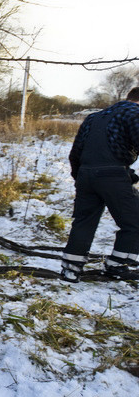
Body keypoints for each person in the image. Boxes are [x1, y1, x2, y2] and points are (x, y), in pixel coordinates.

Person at [61, 87, 139, 282]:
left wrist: (80, 178)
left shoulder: (94, 117)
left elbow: (75, 152)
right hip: (113, 175)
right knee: (134, 222)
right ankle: (118, 265)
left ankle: (71, 268)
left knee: (83, 221)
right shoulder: (134, 113)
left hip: (86, 175)